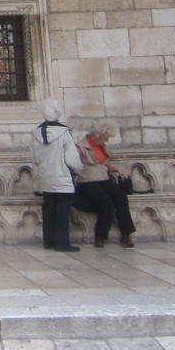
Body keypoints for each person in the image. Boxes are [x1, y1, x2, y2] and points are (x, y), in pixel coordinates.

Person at [29, 99, 83, 252]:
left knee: (49, 208)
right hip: (63, 176)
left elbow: (34, 158)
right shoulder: (64, 133)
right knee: (63, 211)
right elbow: (72, 158)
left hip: (46, 176)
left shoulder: (35, 133)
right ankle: (62, 242)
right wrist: (79, 170)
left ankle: (49, 241)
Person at [75, 120, 137, 248]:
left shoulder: (100, 145)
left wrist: (116, 169)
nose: (107, 140)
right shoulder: (80, 147)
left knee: (121, 196)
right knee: (106, 202)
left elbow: (101, 165)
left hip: (103, 178)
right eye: (105, 137)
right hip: (87, 180)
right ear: (98, 136)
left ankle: (126, 234)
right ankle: (100, 236)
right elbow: (76, 164)